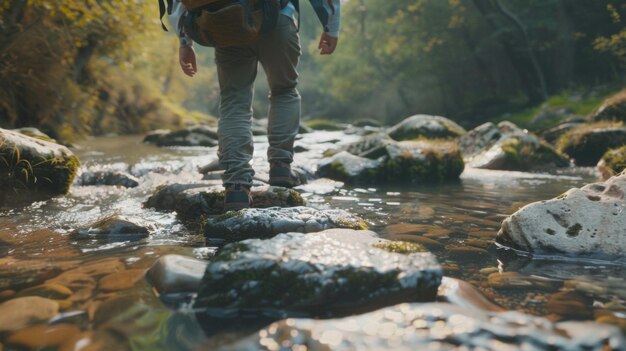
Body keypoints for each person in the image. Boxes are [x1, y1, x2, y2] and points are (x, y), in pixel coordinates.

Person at [168, 0, 340, 211]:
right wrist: (331, 26)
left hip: (226, 25)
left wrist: (185, 42)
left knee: (233, 101)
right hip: (277, 19)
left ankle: (236, 187)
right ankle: (280, 168)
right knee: (284, 90)